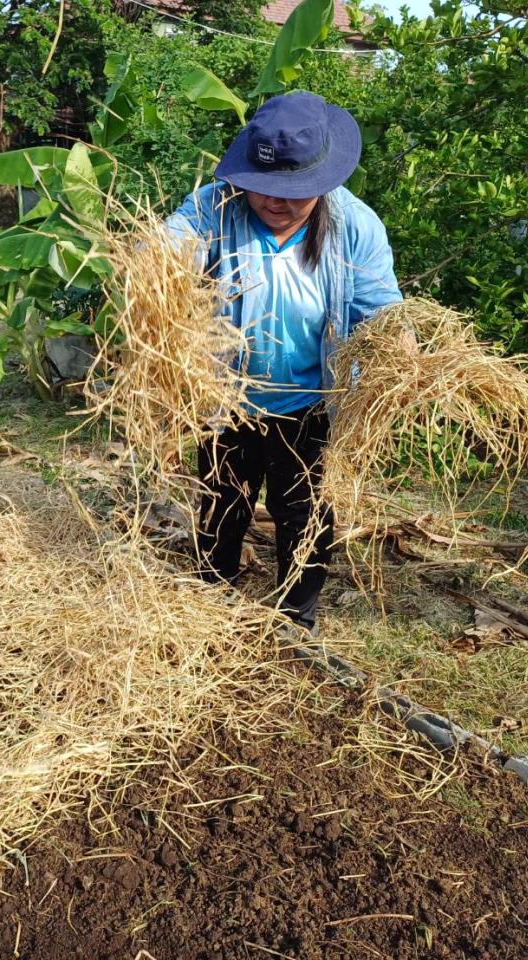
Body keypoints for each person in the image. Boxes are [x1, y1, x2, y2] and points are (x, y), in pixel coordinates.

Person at [166, 91, 403, 634]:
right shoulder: (214, 206)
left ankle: (295, 619)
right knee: (221, 503)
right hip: (230, 399)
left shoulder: (356, 227)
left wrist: (401, 346)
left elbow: (381, 308)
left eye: (292, 193)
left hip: (310, 401)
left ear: (321, 180)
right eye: (265, 187)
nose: (275, 201)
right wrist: (155, 262)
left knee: (306, 514)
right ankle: (209, 600)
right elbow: (171, 242)